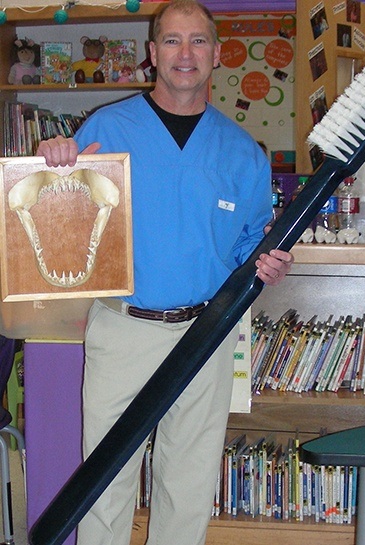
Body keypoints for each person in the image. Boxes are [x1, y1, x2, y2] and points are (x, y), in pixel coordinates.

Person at [36, 1, 294, 544]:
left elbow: (253, 246)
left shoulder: (243, 153)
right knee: (104, 483)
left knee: (189, 484)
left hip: (207, 334)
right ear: (153, 54)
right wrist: (54, 161)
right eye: (172, 41)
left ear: (216, 54)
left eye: (198, 41)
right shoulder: (106, 127)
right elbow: (56, 215)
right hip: (123, 329)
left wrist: (269, 262)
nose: (185, 53)